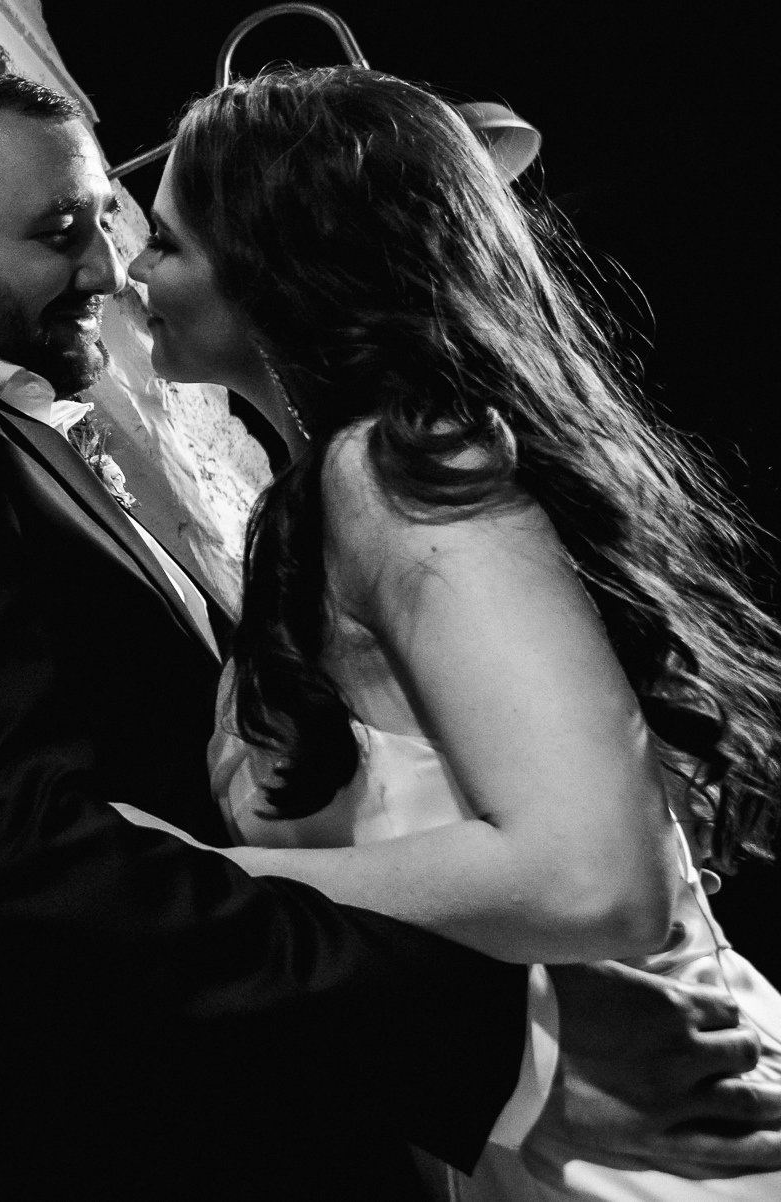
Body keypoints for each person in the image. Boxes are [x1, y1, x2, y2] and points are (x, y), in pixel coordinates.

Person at [123, 66, 781, 1198]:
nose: (136, 269)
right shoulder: (315, 505)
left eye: (169, 243)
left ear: (279, 263)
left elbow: (591, 877)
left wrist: (212, 882)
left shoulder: (394, 464)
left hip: (684, 1153)